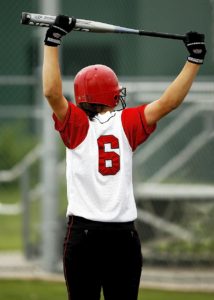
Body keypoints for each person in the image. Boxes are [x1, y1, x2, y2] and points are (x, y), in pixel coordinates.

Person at [42, 15, 206, 300]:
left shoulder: (76, 125)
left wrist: (53, 40)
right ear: (111, 95)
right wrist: (194, 60)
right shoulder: (127, 122)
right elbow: (170, 102)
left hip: (84, 235)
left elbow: (51, 92)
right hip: (122, 237)